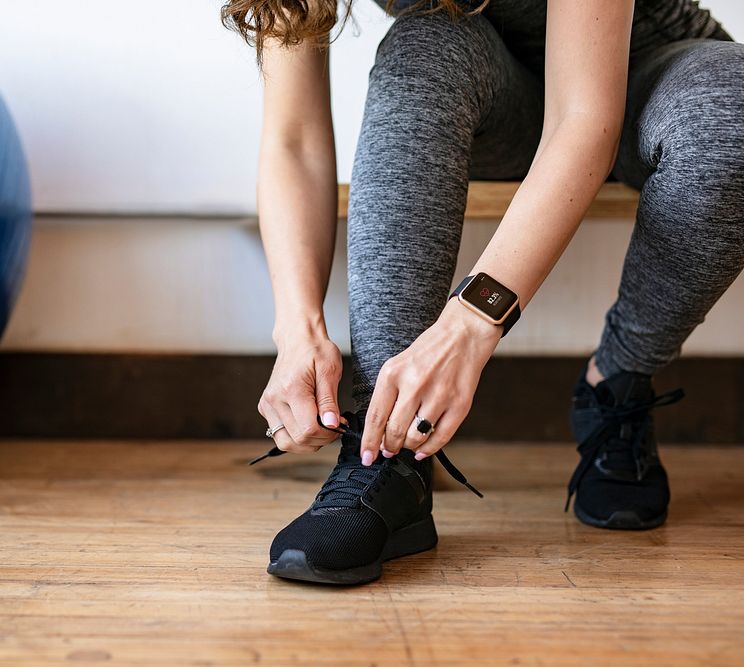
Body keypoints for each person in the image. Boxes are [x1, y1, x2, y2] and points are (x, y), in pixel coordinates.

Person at [223, 0, 743, 585]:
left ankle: (616, 385)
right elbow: (292, 139)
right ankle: (386, 448)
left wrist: (470, 323)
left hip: (647, 73)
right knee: (424, 43)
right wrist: (297, 327)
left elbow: (582, 115)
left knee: (733, 112)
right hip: (503, 98)